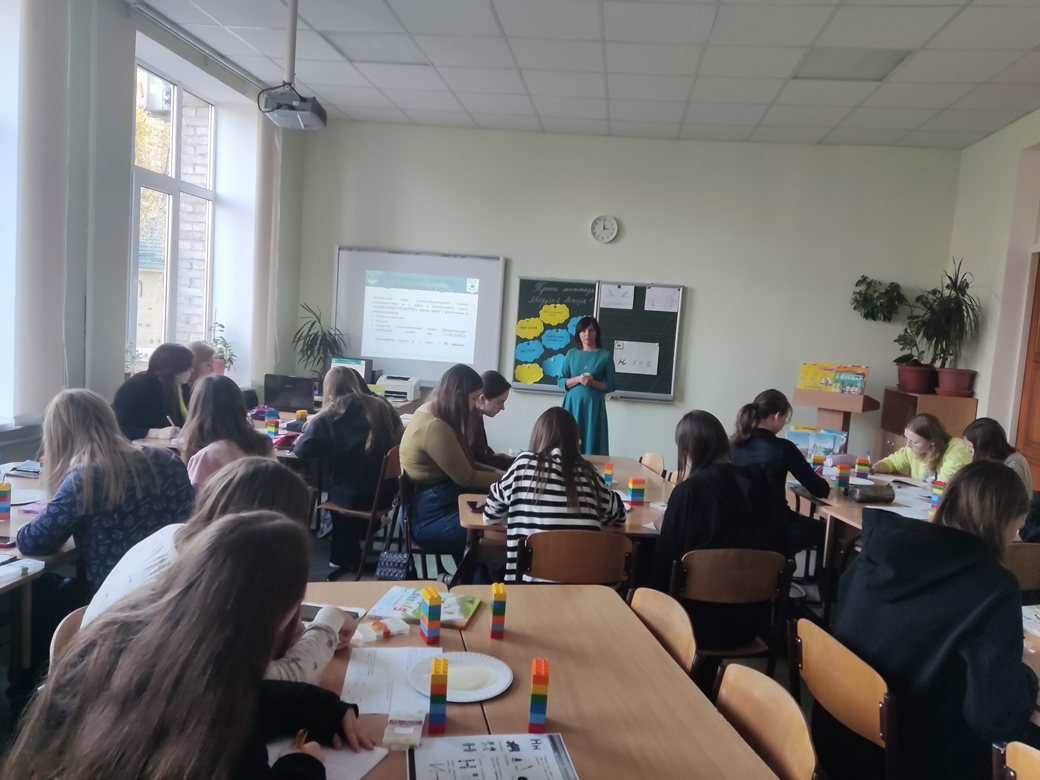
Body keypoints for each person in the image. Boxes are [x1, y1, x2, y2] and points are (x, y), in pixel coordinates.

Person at [3, 512, 376, 780]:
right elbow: (228, 716)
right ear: (276, 615)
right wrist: (304, 765)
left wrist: (318, 706)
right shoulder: (214, 723)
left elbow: (245, 697)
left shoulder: (133, 634)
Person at [815, 462, 1037, 780]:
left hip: (837, 737)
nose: (1015, 538)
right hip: (909, 759)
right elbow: (995, 719)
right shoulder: (991, 587)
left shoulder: (876, 551)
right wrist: (1027, 679)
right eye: (1016, 528)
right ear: (1002, 521)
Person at [83, 457, 353, 684]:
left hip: (100, 693)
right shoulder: (208, 591)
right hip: (113, 715)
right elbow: (273, 682)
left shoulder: (177, 536)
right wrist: (328, 623)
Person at [16, 389, 194, 586]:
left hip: (120, 596)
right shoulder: (168, 459)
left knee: (42, 588)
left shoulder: (86, 477)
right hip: (178, 587)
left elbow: (32, 543)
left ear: (57, 435)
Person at [649, 410, 788, 652]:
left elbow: (665, 563)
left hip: (691, 623)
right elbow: (783, 548)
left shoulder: (689, 492)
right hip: (752, 623)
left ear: (687, 451)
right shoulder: (764, 487)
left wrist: (668, 525)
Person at [484, 407, 626, 581]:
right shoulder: (589, 472)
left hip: (527, 590)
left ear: (538, 437)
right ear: (575, 440)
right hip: (584, 591)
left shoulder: (523, 465)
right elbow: (620, 515)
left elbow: (489, 514)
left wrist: (515, 512)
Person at [294, 365, 403, 572]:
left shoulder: (329, 415)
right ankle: (367, 528)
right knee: (350, 483)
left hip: (349, 498)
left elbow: (301, 451)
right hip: (383, 495)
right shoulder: (380, 406)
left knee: (336, 489)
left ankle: (343, 556)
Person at [400, 364, 501, 562]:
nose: (476, 405)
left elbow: (468, 464)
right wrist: (506, 480)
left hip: (435, 504)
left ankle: (473, 577)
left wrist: (499, 474)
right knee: (495, 535)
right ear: (459, 395)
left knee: (495, 525)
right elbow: (467, 478)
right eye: (474, 398)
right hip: (426, 518)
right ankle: (475, 578)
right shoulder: (435, 427)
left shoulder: (433, 414)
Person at [730, 388, 828, 551]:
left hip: (738, 526)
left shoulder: (732, 445)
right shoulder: (784, 448)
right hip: (777, 527)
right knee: (828, 533)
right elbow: (819, 489)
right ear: (777, 416)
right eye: (785, 418)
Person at [179, 374, 274, 490]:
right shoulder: (264, 444)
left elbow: (195, 499)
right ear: (240, 405)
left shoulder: (205, 456)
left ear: (196, 409)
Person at [112, 341, 195, 440]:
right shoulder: (136, 386)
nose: (192, 370)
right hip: (135, 446)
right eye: (188, 366)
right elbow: (118, 428)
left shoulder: (181, 387)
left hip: (165, 446)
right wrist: (156, 433)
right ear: (175, 368)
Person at [558, 316, 615, 456]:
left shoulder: (605, 355)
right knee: (570, 437)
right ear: (578, 334)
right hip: (573, 404)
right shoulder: (571, 354)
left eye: (591, 330)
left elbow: (611, 385)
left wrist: (592, 382)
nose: (587, 334)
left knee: (592, 439)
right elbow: (561, 381)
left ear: (597, 333)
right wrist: (578, 379)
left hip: (593, 406)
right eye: (583, 331)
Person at [871, 412, 970, 484]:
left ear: (932, 441)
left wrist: (933, 485)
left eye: (914, 442)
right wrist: (874, 468)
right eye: (906, 439)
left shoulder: (957, 448)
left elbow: (944, 484)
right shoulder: (912, 449)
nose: (908, 445)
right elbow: (892, 462)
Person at [963, 417, 1032, 496]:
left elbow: (1010, 500)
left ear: (986, 447)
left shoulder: (1014, 464)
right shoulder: (989, 461)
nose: (967, 450)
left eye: (971, 447)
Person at [467, 370, 515, 470]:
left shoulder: (476, 416)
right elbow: (478, 459)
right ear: (482, 399)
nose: (502, 407)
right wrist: (514, 462)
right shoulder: (472, 422)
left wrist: (495, 455)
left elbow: (481, 449)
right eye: (500, 402)